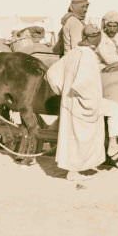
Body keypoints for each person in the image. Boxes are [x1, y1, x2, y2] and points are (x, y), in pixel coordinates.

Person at [45, 23, 106, 184]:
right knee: (81, 136)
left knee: (72, 136)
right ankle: (74, 171)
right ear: (95, 38)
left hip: (69, 102)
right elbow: (85, 83)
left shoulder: (73, 53)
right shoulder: (88, 56)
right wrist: (91, 102)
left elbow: (51, 73)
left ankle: (75, 168)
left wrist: (62, 90)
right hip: (82, 103)